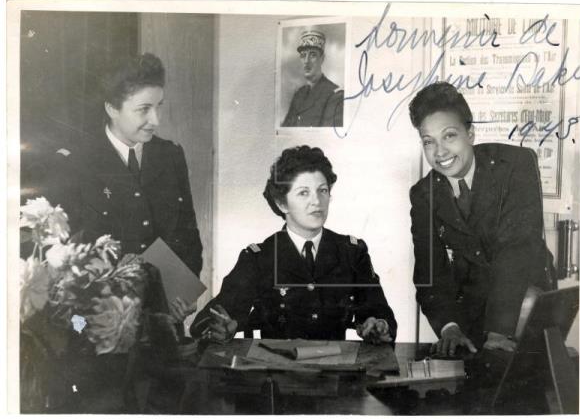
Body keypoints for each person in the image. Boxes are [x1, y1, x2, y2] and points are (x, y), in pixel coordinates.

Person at [50, 52, 203, 320]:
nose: (156, 120)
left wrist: (185, 294)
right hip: (101, 317)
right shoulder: (77, 162)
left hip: (164, 314)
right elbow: (65, 250)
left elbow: (188, 233)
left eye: (159, 106)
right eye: (144, 109)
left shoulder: (170, 156)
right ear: (112, 108)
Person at [191, 146, 396, 343]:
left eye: (323, 190)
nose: (317, 201)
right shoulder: (260, 258)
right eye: (303, 193)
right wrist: (223, 327)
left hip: (335, 365)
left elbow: (379, 310)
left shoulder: (351, 253)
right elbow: (209, 319)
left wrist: (378, 325)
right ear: (282, 203)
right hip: (276, 365)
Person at [408, 82, 553, 356]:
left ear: (470, 133)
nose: (439, 152)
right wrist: (449, 327)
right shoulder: (423, 194)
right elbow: (429, 272)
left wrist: (498, 330)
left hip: (526, 306)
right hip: (471, 321)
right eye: (429, 141)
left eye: (449, 136)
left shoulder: (515, 164)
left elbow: (516, 249)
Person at [282, 30, 344, 127]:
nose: (306, 61)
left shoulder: (334, 95)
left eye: (313, 55)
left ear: (322, 58)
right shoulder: (299, 94)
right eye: (303, 55)